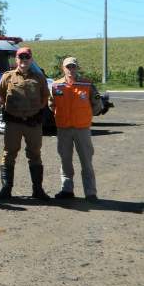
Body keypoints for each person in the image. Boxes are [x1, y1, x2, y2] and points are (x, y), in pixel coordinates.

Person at [0, 47, 51, 201]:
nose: (24, 60)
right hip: (14, 123)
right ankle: (6, 189)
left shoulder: (39, 78)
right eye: (21, 57)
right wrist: (6, 107)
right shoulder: (7, 77)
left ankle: (38, 189)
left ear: (31, 59)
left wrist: (37, 109)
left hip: (33, 123)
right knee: (9, 154)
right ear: (16, 60)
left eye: (27, 57)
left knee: (35, 154)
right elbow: (0, 94)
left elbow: (45, 96)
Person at [49, 57, 103, 202]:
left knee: (86, 161)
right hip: (63, 129)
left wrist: (86, 116)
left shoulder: (87, 84)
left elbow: (97, 105)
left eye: (73, 67)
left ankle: (90, 192)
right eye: (68, 67)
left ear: (77, 68)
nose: (71, 70)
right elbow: (51, 104)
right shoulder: (56, 85)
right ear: (63, 68)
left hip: (82, 129)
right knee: (65, 160)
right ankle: (67, 189)